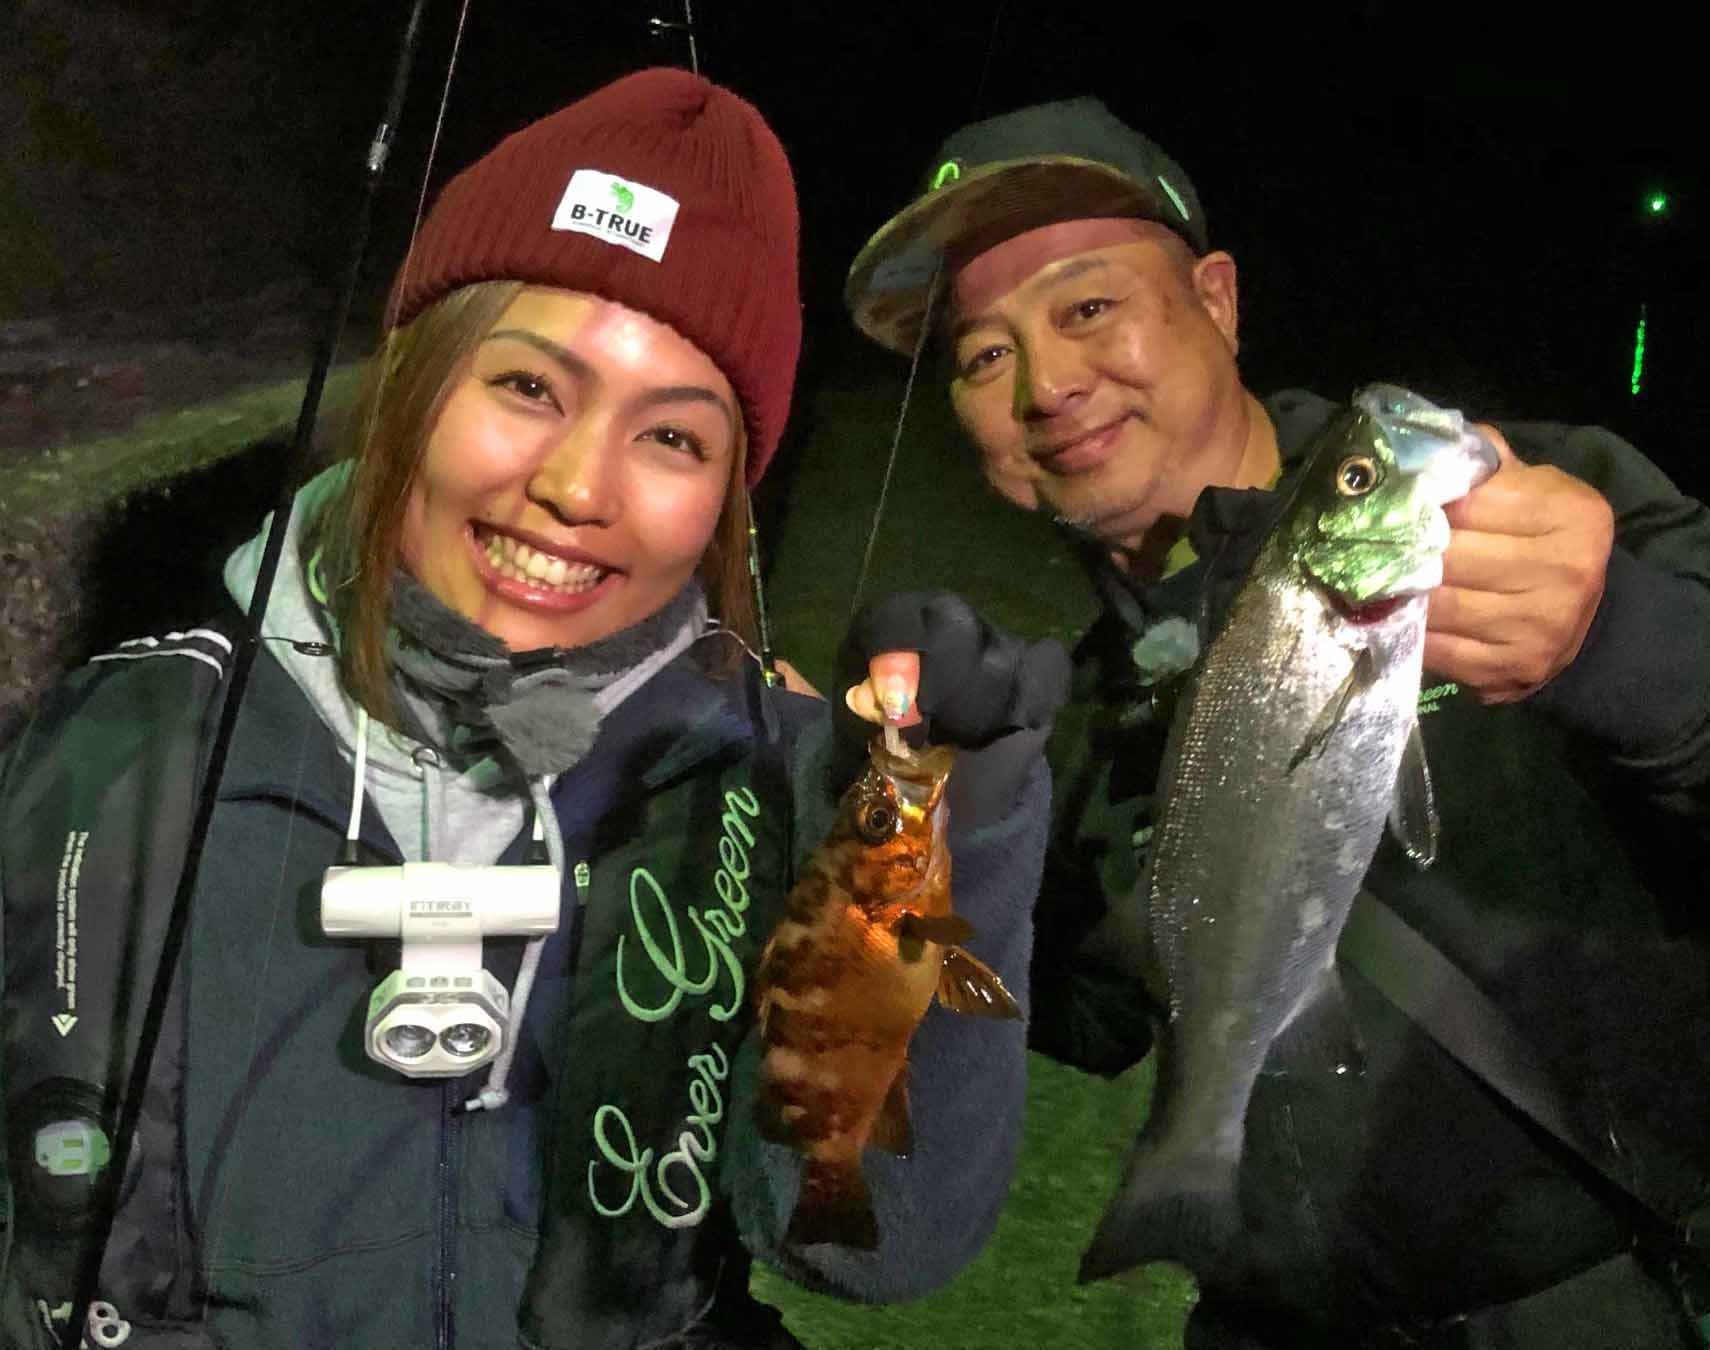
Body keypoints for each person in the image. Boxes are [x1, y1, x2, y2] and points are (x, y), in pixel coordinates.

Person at [0, 69, 1069, 1350]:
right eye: (526, 387)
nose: (576, 486)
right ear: (411, 382)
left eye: (672, 439)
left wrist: (955, 826)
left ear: (727, 499)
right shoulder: (117, 745)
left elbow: (870, 1246)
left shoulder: (788, 781)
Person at [844, 94, 1710, 1348]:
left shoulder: (1533, 507)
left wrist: (1621, 641)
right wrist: (916, 841)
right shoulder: (1069, 713)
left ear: (1217, 298)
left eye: (1087, 307)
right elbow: (1089, 1017)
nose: (1049, 385)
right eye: (984, 355)